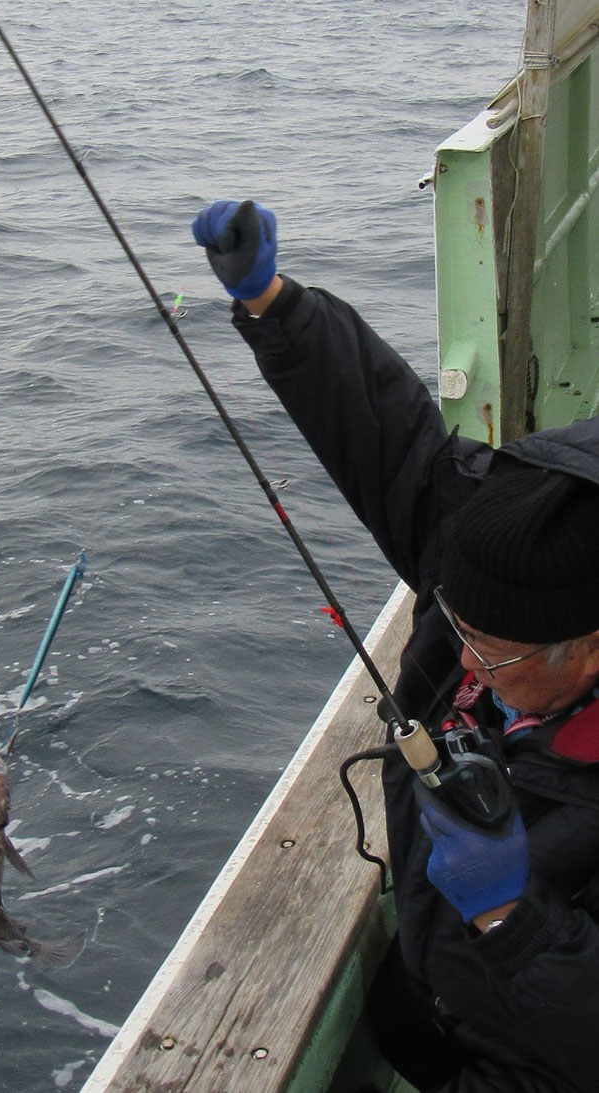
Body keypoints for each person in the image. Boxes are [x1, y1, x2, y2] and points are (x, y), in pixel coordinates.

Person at [192, 199, 599, 1093]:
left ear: (590, 652)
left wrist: (510, 917)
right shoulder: (489, 555)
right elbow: (396, 444)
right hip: (436, 993)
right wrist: (275, 304)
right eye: (460, 632)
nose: (472, 672)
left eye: (495, 656)